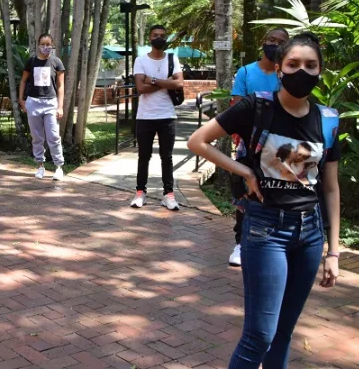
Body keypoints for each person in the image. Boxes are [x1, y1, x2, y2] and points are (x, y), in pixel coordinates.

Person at [187, 33, 341, 369]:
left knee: (283, 333)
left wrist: (333, 252)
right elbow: (198, 141)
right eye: (293, 64)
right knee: (260, 335)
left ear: (320, 70)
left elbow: (330, 187)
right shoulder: (257, 106)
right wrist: (245, 170)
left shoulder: (328, 119)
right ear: (279, 69)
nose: (302, 71)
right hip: (266, 229)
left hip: (310, 233)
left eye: (311, 65)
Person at [227, 27, 290, 267]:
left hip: (280, 144)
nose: (274, 44)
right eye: (271, 40)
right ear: (263, 42)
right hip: (249, 142)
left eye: (281, 41)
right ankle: (240, 242)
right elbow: (237, 107)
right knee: (245, 191)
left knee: (276, 191)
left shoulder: (287, 74)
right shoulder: (246, 72)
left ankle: (274, 242)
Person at [130, 24, 185, 211]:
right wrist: (167, 82)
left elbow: (179, 83)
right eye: (155, 35)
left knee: (166, 157)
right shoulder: (140, 60)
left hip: (167, 115)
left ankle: (168, 195)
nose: (159, 38)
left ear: (166, 38)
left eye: (162, 35)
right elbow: (140, 88)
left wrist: (152, 80)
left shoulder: (172, 58)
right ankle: (140, 192)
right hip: (145, 116)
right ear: (149, 38)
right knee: (143, 156)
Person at [18, 33, 66, 180]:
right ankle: (40, 166)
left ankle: (58, 167)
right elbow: (23, 81)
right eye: (43, 44)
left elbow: (60, 85)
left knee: (53, 136)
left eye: (48, 44)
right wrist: (21, 99)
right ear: (38, 45)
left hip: (50, 103)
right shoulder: (32, 61)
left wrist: (60, 106)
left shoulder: (56, 62)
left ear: (52, 45)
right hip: (34, 102)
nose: (45, 47)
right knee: (37, 137)